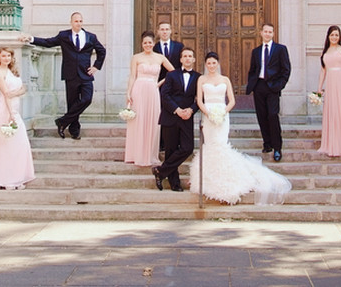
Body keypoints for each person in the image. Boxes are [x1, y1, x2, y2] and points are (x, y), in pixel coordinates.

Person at [190, 52, 291, 205]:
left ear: (218, 64)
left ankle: (226, 178)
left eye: (213, 63)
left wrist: (223, 112)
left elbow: (231, 100)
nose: (211, 66)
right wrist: (208, 113)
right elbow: (199, 100)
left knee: (221, 144)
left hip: (222, 115)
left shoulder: (225, 79)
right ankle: (209, 180)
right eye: (208, 63)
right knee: (209, 145)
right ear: (205, 65)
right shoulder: (201, 79)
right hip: (208, 115)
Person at [20, 12, 106, 140]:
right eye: (76, 21)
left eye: (81, 21)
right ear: (71, 22)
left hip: (85, 74)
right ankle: (74, 130)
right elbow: (48, 42)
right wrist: (31, 39)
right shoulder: (64, 35)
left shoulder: (91, 37)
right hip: (70, 75)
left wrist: (96, 66)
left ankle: (62, 121)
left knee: (87, 99)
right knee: (72, 103)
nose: (79, 23)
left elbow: (101, 51)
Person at [0, 47, 35, 190]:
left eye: (9, 56)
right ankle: (6, 179)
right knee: (7, 144)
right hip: (7, 109)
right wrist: (11, 114)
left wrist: (17, 93)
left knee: (19, 144)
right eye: (4, 56)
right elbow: (6, 94)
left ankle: (16, 178)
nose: (7, 58)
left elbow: (23, 88)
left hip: (15, 108)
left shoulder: (13, 71)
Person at [152, 47, 200, 192]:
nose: (187, 58)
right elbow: (165, 95)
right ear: (180, 59)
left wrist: (191, 109)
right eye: (184, 56)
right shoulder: (172, 75)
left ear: (193, 59)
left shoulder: (199, 77)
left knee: (187, 148)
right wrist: (177, 110)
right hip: (171, 116)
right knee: (170, 151)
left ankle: (160, 171)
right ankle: (174, 184)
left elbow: (200, 98)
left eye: (190, 56)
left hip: (187, 117)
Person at [124, 31, 174, 167]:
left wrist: (159, 83)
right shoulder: (136, 57)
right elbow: (132, 76)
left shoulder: (160, 57)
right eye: (145, 43)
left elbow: (173, 72)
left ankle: (150, 155)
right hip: (138, 89)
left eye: (150, 43)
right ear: (142, 44)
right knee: (138, 120)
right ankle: (136, 154)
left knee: (152, 121)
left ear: (153, 44)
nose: (147, 45)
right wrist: (128, 93)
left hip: (153, 90)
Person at [246, 23, 291, 161]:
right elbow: (253, 69)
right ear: (261, 33)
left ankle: (277, 147)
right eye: (265, 31)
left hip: (273, 87)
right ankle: (267, 143)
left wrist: (279, 86)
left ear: (273, 33)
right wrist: (252, 84)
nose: (267, 34)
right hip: (259, 86)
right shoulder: (256, 51)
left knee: (272, 115)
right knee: (262, 116)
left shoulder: (280, 49)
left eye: (270, 32)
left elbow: (286, 70)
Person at [317, 25, 341, 157]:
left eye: (336, 35)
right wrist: (319, 88)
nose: (334, 37)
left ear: (340, 37)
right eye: (332, 35)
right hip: (330, 82)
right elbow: (323, 71)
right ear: (328, 36)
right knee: (331, 111)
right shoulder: (325, 52)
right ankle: (330, 143)